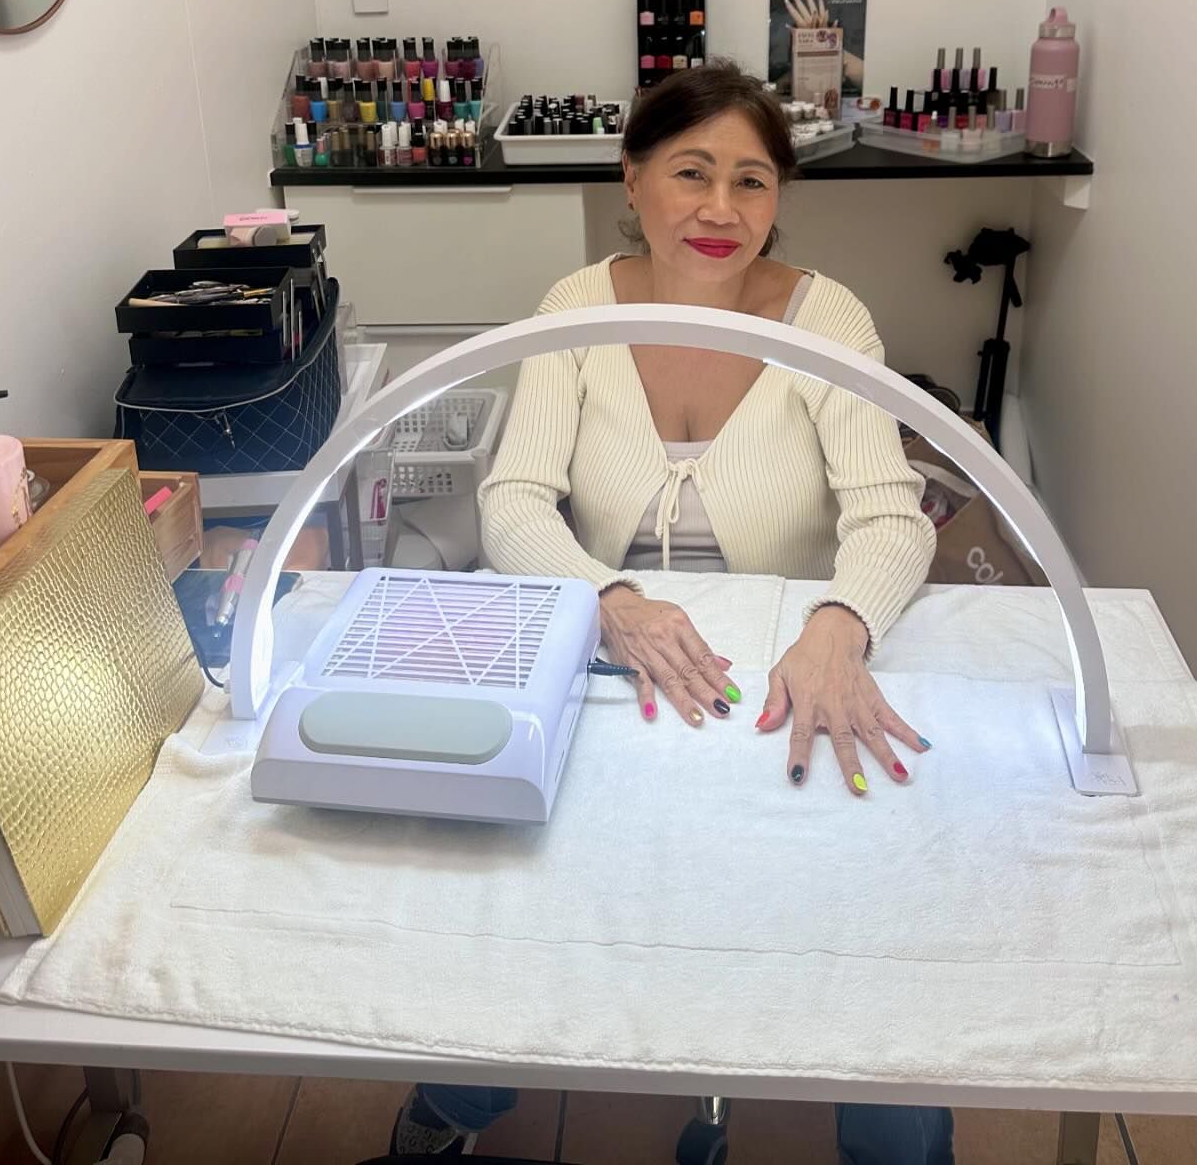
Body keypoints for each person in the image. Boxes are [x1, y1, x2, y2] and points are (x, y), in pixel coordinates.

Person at [370, 63, 950, 1165]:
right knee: (514, 885)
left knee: (878, 905)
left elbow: (891, 514)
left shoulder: (828, 320)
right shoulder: (575, 311)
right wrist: (609, 602)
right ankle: (456, 1104)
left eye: (753, 181)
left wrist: (839, 627)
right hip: (603, 655)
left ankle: (899, 1138)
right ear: (631, 180)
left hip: (783, 660)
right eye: (691, 173)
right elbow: (514, 501)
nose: (722, 209)